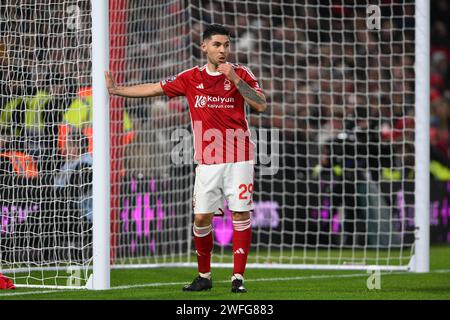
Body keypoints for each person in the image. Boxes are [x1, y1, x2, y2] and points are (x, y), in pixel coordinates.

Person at [105, 24, 267, 293]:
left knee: (240, 213)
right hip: (207, 161)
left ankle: (238, 278)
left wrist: (235, 80)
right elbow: (155, 88)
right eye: (217, 45)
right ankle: (204, 276)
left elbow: (260, 105)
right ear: (204, 47)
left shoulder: (242, 74)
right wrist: (117, 90)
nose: (223, 50)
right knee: (201, 218)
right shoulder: (191, 77)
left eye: (226, 45)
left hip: (240, 156)